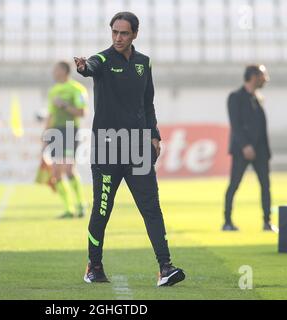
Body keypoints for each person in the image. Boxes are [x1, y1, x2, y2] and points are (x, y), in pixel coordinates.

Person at [74, 12, 185, 287]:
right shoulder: (102, 59)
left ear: (135, 34)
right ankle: (94, 265)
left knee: (152, 209)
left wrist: (154, 135)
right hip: (107, 150)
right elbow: (90, 66)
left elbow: (148, 104)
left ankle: (165, 267)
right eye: (114, 32)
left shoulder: (143, 63)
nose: (118, 38)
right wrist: (82, 66)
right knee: (102, 210)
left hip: (137, 150)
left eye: (124, 33)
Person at [223, 64, 273, 232]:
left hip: (261, 151)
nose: (266, 79)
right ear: (253, 76)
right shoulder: (235, 97)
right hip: (242, 150)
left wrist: (265, 151)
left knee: (265, 186)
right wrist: (245, 145)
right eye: (263, 76)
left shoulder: (258, 98)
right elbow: (235, 125)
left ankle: (267, 222)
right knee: (234, 184)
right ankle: (227, 221)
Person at [44, 61, 89, 219]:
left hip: (70, 129)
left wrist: (64, 105)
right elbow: (50, 115)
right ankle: (69, 209)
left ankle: (81, 204)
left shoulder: (77, 89)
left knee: (69, 169)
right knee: (56, 171)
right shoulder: (53, 91)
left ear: (63, 71)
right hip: (55, 131)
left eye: (55, 69)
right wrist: (45, 134)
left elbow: (82, 112)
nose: (53, 72)